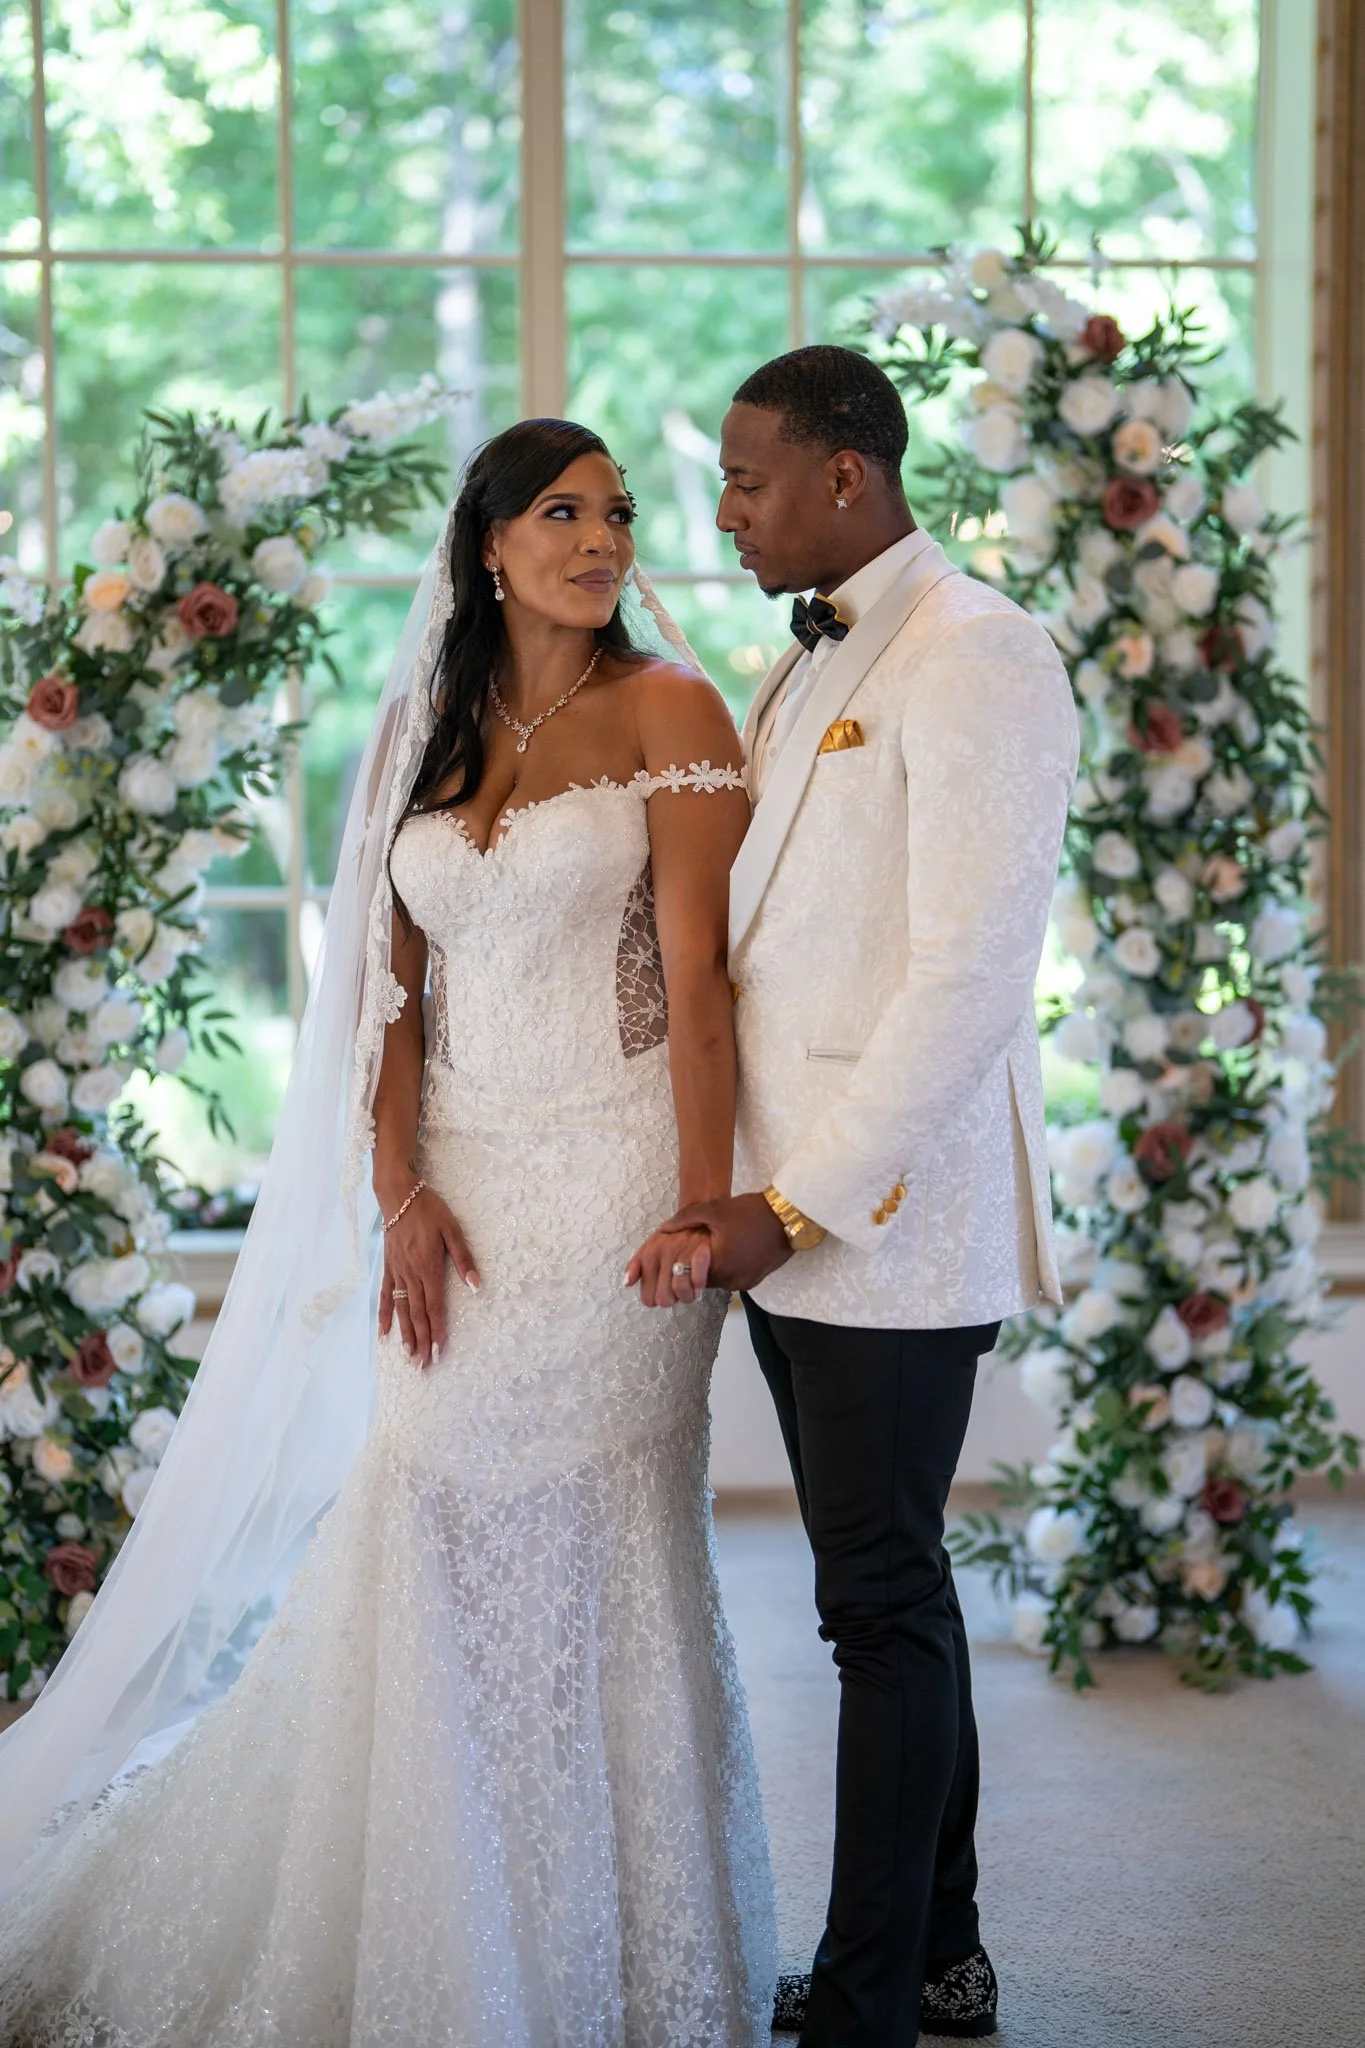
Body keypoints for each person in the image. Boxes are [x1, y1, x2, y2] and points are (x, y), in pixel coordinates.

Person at [0, 419, 778, 2046]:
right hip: (462, 1182)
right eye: (562, 511)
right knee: (423, 1503)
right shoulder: (427, 725)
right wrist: (398, 1194)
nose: (600, 537)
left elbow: (700, 988)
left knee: (603, 1536)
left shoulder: (673, 711)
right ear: (489, 543)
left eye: (619, 513)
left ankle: (598, 1943)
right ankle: (440, 1906)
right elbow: (388, 995)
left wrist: (705, 1207)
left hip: (624, 1177)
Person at [630, 347, 1079, 2046]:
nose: (724, 507)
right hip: (794, 1217)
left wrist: (792, 1204)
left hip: (885, 1226)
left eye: (748, 477)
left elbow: (970, 983)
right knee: (887, 1589)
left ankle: (873, 1998)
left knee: (876, 1605)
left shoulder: (982, 654)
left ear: (846, 475)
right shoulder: (805, 654)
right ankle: (946, 1956)